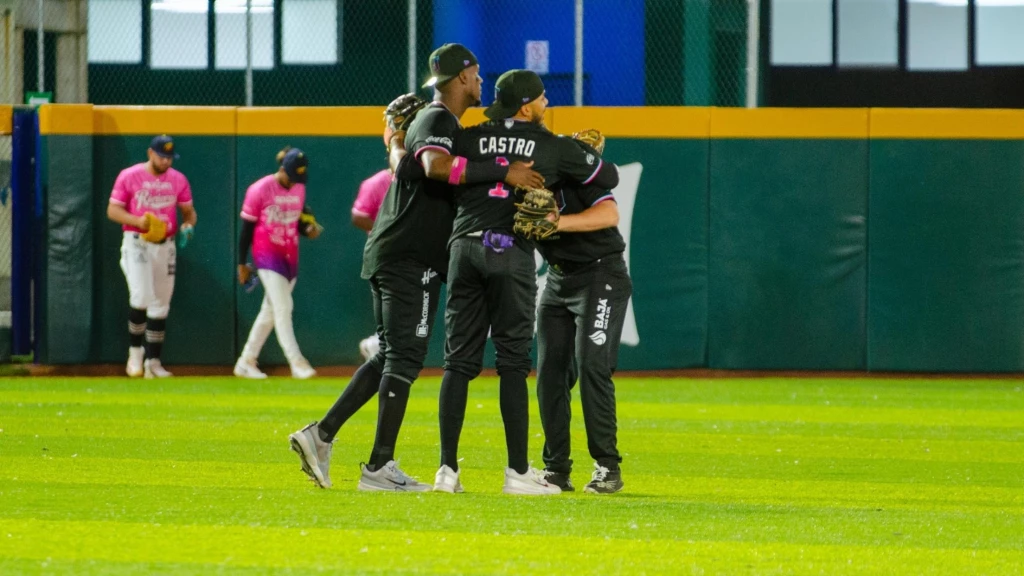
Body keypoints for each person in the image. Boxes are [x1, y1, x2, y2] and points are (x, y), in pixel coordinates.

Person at [287, 44, 543, 491]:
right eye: (477, 74)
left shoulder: (441, 123)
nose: (482, 83)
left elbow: (412, 160)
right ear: (463, 77)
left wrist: (395, 142)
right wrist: (503, 172)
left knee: (391, 353)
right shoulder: (438, 116)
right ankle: (376, 466)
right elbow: (434, 165)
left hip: (398, 252)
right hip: (411, 257)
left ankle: (323, 436)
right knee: (404, 356)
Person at [435, 69, 620, 495]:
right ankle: (518, 474)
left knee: (457, 364)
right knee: (515, 365)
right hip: (509, 251)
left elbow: (438, 171)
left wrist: (493, 169)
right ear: (526, 106)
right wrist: (575, 159)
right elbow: (607, 177)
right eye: (541, 100)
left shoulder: (467, 136)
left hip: (464, 247)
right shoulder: (551, 145)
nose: (546, 105)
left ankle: (447, 472)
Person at [534, 136, 631, 495]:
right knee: (550, 374)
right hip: (558, 279)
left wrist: (557, 222)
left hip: (600, 275)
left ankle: (608, 466)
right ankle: (556, 470)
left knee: (592, 365)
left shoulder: (576, 176)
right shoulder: (520, 183)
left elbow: (610, 214)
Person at [107, 135, 197, 379]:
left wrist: (188, 226)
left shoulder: (178, 179)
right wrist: (137, 220)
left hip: (164, 244)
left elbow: (188, 212)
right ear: (150, 153)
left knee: (161, 302)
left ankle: (153, 362)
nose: (165, 160)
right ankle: (135, 354)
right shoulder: (130, 175)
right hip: (137, 242)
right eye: (161, 155)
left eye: (169, 157)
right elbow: (113, 210)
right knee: (142, 295)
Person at [233, 147, 320, 380]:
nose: (295, 181)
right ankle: (297, 362)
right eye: (292, 175)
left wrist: (308, 228)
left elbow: (298, 220)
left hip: (289, 254)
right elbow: (246, 230)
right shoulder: (260, 189)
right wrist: (242, 262)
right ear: (282, 169)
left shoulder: (299, 187)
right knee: (283, 308)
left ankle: (245, 361)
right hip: (266, 253)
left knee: (270, 312)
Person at [351, 168, 392, 361]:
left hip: (410, 254)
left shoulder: (416, 180)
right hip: (383, 253)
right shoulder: (376, 183)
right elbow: (358, 216)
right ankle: (377, 345)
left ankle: (376, 344)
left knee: (406, 310)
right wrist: (386, 231)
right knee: (393, 305)